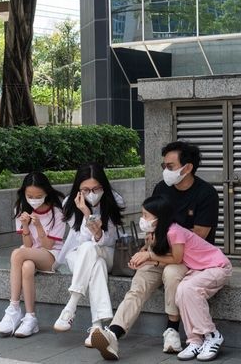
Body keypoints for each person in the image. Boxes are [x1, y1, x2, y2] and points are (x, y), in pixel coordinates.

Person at [89, 141, 219, 358]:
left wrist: (153, 251)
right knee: (139, 282)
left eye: (170, 166)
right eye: (164, 165)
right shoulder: (161, 188)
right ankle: (113, 333)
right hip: (157, 252)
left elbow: (199, 237)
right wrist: (144, 252)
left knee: (172, 273)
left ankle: (172, 331)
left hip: (188, 258)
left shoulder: (206, 194)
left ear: (187, 168)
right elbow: (151, 223)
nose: (165, 171)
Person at [92, 195, 231, 362]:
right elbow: (152, 250)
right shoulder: (155, 231)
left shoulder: (175, 231)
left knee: (182, 285)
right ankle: (114, 333)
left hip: (206, 265)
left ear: (159, 217)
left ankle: (192, 333)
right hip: (191, 266)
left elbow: (177, 259)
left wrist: (150, 256)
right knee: (150, 287)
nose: (142, 219)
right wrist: (142, 255)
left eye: (145, 215)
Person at [53, 162, 123, 347]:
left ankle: (71, 306)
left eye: (96, 188)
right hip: (78, 254)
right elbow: (82, 239)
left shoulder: (114, 200)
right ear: (78, 189)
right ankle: (96, 327)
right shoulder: (69, 203)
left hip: (107, 252)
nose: (91, 193)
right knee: (93, 260)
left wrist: (99, 233)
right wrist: (85, 212)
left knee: (93, 251)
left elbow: (110, 240)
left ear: (103, 186)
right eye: (86, 189)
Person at [0, 172, 67, 338]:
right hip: (31, 253)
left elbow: (48, 245)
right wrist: (25, 225)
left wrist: (39, 226)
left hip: (51, 255)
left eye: (39, 196)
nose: (34, 199)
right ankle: (30, 317)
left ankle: (13, 308)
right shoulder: (21, 208)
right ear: (24, 194)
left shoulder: (57, 212)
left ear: (47, 193)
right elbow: (28, 244)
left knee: (16, 253)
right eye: (30, 196)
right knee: (26, 266)